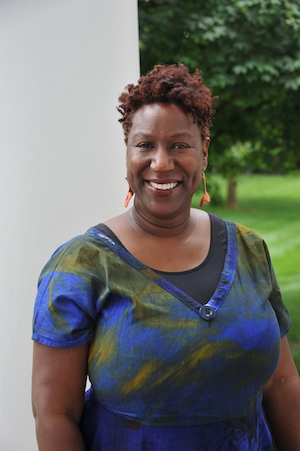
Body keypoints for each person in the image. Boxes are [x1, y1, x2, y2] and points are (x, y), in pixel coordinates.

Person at [32, 63, 300, 451]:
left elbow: (281, 381)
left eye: (179, 145)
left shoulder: (248, 249)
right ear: (127, 154)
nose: (161, 163)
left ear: (204, 152)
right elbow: (55, 414)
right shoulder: (81, 266)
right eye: (145, 145)